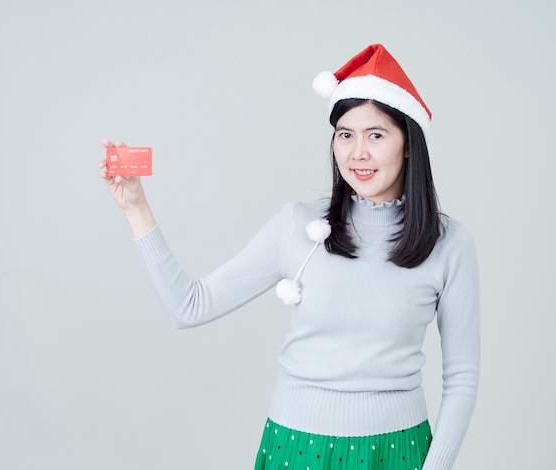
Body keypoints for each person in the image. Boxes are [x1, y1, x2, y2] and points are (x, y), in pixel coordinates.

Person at [100, 44, 480, 470]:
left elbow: (462, 379)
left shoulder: (449, 243)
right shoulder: (297, 227)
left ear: (408, 144)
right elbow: (189, 306)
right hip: (295, 449)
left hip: (396, 452)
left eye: (376, 135)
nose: (357, 153)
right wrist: (136, 208)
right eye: (345, 134)